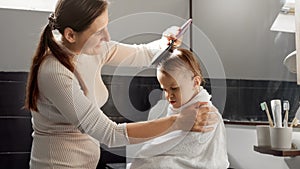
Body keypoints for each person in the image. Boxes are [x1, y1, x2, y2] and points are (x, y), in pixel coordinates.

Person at [24, 0, 219, 168]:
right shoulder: (54, 73)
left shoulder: (90, 49)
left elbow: (142, 53)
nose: (107, 37)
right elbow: (110, 134)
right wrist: (178, 122)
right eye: (99, 31)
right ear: (70, 35)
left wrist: (166, 42)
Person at [128, 48, 229, 169]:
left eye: (174, 88)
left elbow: (191, 150)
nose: (169, 95)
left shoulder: (205, 113)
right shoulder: (169, 108)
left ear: (196, 82)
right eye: (165, 89)